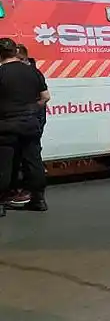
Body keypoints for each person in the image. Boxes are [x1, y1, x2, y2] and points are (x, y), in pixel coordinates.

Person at [0, 38, 50, 216]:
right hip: (30, 123)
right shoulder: (32, 72)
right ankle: (39, 199)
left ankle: (1, 203)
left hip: (5, 125)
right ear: (15, 51)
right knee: (33, 161)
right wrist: (31, 110)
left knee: (4, 165)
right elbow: (46, 97)